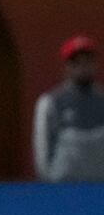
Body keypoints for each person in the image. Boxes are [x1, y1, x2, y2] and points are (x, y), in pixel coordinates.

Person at [34, 35, 104, 181]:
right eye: (76, 63)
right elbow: (42, 148)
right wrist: (48, 183)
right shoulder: (50, 102)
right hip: (64, 187)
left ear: (95, 64)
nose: (83, 67)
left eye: (87, 62)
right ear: (67, 67)